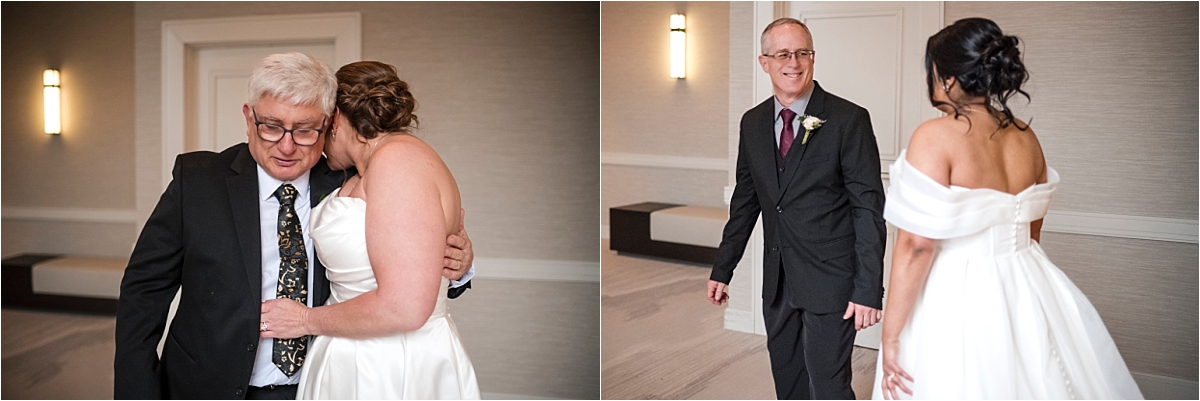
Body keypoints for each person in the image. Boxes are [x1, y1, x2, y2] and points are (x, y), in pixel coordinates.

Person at [114, 53, 476, 400]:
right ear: (248, 117)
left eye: (304, 130)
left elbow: (401, 267)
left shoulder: (352, 181)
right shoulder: (198, 181)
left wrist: (458, 267)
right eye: (271, 127)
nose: (286, 146)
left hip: (319, 384)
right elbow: (143, 293)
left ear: (329, 123)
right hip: (207, 384)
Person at [874, 18, 1143, 400]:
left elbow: (917, 244)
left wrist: (891, 334)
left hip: (956, 289)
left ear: (947, 78)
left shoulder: (935, 136)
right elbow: (1032, 231)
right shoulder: (1025, 136)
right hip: (1026, 280)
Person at [258, 61, 480, 399]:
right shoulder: (367, 168)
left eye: (316, 128)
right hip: (350, 353)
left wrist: (305, 320)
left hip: (388, 362)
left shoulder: (397, 163)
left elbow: (404, 307)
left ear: (334, 122)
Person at [707, 18, 887, 400]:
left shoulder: (849, 119)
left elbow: (868, 209)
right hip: (778, 281)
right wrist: (724, 268)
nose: (794, 62)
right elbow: (745, 202)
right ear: (764, 62)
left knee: (828, 385)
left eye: (802, 52)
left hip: (832, 279)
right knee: (789, 384)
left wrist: (869, 288)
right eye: (783, 54)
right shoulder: (752, 123)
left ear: (813, 58)